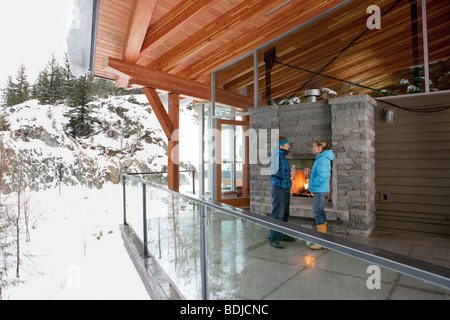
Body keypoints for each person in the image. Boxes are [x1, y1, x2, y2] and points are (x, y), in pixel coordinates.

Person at [268, 136, 296, 249]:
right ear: (281, 146)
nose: (289, 146)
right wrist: (290, 175)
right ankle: (273, 238)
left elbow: (281, 171)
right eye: (287, 144)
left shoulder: (282, 156)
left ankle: (281, 234)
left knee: (284, 214)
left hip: (285, 189)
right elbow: (274, 172)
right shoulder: (276, 156)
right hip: (278, 189)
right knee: (277, 214)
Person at [308, 140, 334, 250]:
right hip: (321, 189)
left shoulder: (322, 159)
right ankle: (324, 239)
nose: (312, 148)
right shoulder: (322, 158)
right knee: (320, 212)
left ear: (320, 148)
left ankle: (321, 242)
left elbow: (322, 176)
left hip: (319, 189)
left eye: (314, 146)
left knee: (317, 212)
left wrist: (312, 184)